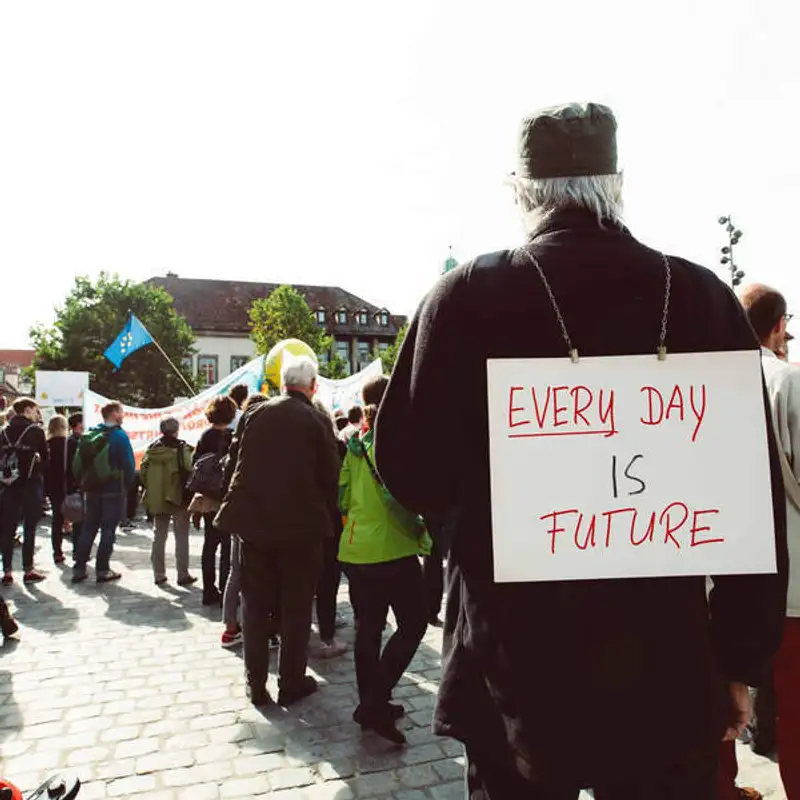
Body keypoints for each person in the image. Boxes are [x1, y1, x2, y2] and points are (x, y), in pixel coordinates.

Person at [374, 103, 788, 796]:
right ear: (617, 183)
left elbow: (410, 472)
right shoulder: (701, 299)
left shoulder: (465, 299)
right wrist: (741, 659)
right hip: (666, 662)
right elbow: (751, 499)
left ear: (520, 190)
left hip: (513, 663)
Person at [215, 355, 340, 707]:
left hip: (254, 525)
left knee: (254, 607)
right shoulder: (316, 420)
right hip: (300, 529)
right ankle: (290, 681)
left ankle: (256, 684)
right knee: (296, 607)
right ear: (313, 386)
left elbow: (233, 463)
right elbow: (330, 477)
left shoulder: (255, 413)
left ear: (282, 384)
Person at [338, 375, 430, 745]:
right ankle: (375, 700)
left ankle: (372, 702)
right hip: (392, 548)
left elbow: (342, 494)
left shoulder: (354, 441)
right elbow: (412, 491)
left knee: (368, 630)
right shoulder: (394, 441)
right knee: (414, 623)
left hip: (358, 548)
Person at [734, 284, 799, 798]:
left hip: (726, 577)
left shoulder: (714, 381)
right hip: (793, 578)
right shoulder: (786, 381)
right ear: (778, 325)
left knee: (726, 712)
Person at [72, 401, 135, 583]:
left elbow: (78, 464)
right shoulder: (120, 437)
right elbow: (129, 466)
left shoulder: (91, 433)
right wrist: (126, 486)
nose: (123, 415)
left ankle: (79, 568)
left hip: (91, 489)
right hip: (113, 489)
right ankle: (102, 570)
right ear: (114, 414)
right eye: (121, 412)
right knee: (108, 529)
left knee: (89, 527)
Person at [188, 396, 236, 608]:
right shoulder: (232, 438)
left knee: (210, 544)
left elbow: (195, 463)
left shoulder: (205, 435)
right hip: (225, 497)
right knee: (227, 546)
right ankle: (226, 590)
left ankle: (209, 590)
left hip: (207, 496)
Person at [311, 399, 348, 659]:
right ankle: (326, 634)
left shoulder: (294, 448)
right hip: (330, 521)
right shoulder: (337, 447)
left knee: (301, 581)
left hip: (301, 519)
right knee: (328, 580)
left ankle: (299, 635)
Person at [140, 418, 196, 587]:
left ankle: (159, 574)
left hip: (157, 497)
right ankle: (182, 574)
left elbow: (143, 473)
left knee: (159, 536)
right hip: (177, 497)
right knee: (181, 537)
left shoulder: (152, 449)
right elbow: (189, 468)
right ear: (177, 430)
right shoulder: (182, 448)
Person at [0, 398, 49, 585]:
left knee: (7, 528)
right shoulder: (35, 431)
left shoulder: (3, 432)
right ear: (27, 410)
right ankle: (28, 569)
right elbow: (46, 458)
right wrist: (37, 461)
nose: (36, 414)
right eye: (35, 410)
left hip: (8, 485)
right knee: (29, 528)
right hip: (30, 483)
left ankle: (7, 571)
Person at [44, 414, 74, 565]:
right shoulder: (68, 443)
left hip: (53, 487)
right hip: (68, 486)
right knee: (77, 516)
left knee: (57, 520)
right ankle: (78, 552)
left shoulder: (46, 444)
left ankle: (57, 552)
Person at [66, 414, 84, 557]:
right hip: (77, 484)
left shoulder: (71, 440)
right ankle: (78, 551)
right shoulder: (75, 442)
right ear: (79, 424)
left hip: (74, 484)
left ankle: (78, 550)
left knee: (80, 520)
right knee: (79, 520)